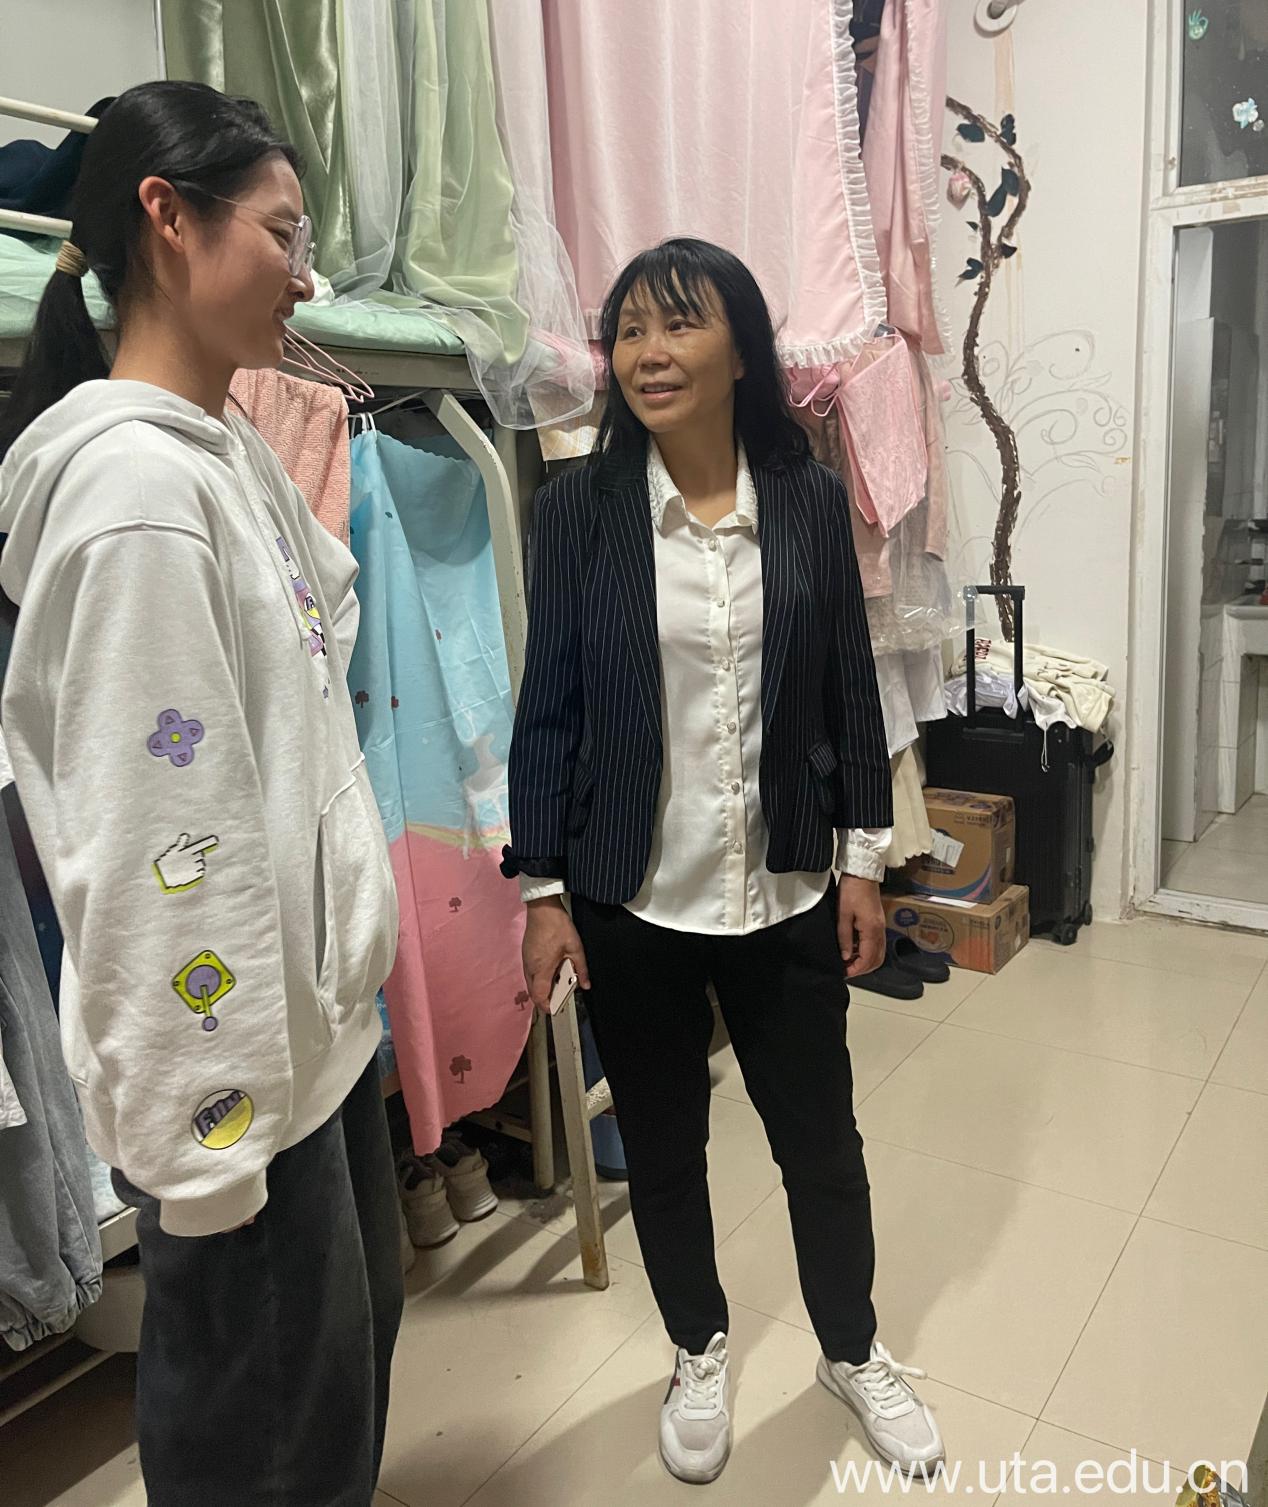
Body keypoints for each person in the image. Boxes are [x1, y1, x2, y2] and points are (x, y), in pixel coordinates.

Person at [0, 82, 401, 1505]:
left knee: (329, 1400)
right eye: (283, 234)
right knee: (272, 1445)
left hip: (310, 1039)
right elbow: (161, 847)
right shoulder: (133, 498)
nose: (306, 275)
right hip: (241, 1095)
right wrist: (213, 1147)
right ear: (167, 218)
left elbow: (314, 645)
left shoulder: (218, 450)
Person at [503, 238, 944, 1485]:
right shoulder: (576, 513)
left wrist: (863, 860)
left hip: (787, 887)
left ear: (741, 350)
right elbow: (548, 709)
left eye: (678, 324)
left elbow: (847, 688)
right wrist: (542, 889)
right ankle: (697, 1346)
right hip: (631, 896)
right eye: (629, 330)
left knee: (821, 1144)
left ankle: (849, 1347)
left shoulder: (801, 499)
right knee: (663, 1144)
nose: (647, 353)